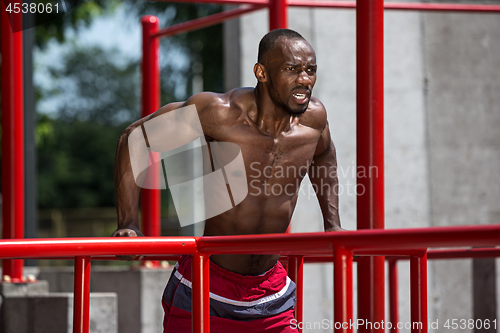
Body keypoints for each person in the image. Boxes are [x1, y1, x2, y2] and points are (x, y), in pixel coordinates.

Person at [112, 28, 342, 332]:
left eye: (310, 70)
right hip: (206, 287)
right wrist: (129, 223)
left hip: (270, 293)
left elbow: (324, 157)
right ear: (261, 72)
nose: (304, 80)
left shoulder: (314, 120)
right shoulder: (219, 114)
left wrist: (332, 224)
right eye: (292, 69)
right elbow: (135, 139)